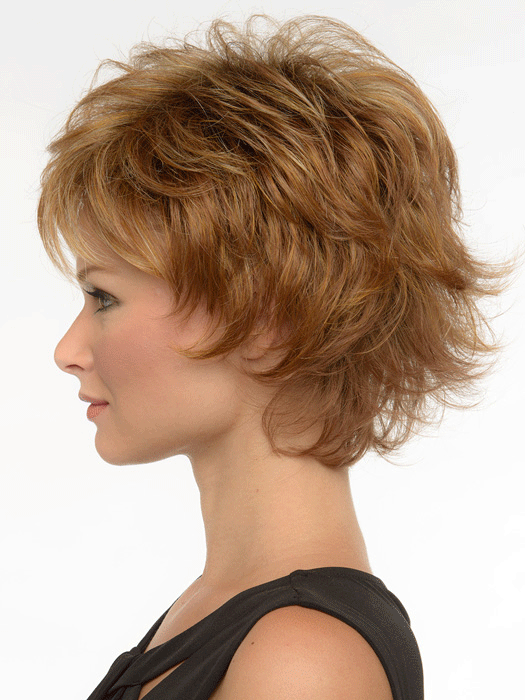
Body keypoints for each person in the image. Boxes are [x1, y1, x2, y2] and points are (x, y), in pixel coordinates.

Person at [37, 13, 517, 700]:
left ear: (265, 316)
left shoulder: (301, 662)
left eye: (103, 297)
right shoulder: (218, 612)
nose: (68, 350)